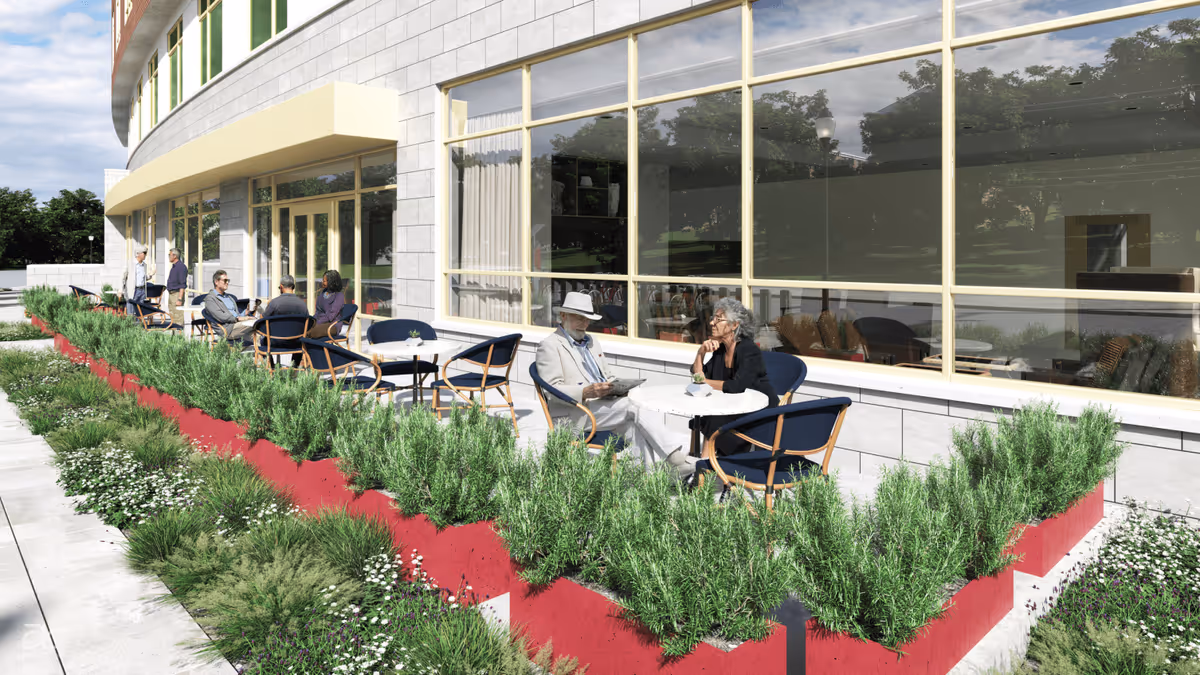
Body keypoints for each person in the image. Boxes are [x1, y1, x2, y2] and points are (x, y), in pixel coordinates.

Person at [535, 292, 689, 474]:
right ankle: (675, 459)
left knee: (636, 424)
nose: (584, 324)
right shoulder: (550, 345)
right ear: (563, 315)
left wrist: (617, 387)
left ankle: (644, 479)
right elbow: (551, 390)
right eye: (579, 318)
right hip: (577, 412)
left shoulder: (592, 341)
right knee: (635, 408)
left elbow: (607, 375)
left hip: (603, 406)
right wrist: (585, 392)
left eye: (587, 319)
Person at [691, 297, 779, 457]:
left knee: (714, 420)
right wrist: (701, 353)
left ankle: (705, 467)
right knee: (710, 417)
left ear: (734, 325)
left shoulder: (749, 350)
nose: (712, 323)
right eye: (713, 318)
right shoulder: (721, 350)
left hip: (760, 412)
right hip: (737, 407)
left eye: (718, 319)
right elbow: (698, 376)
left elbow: (736, 386)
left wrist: (704, 382)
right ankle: (707, 465)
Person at [203, 269, 256, 342]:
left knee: (261, 335)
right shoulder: (210, 299)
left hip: (237, 325)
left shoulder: (229, 297)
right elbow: (221, 316)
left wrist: (246, 312)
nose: (227, 283)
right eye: (225, 280)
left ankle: (265, 348)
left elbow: (237, 315)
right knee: (256, 323)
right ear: (216, 282)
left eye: (228, 280)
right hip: (227, 329)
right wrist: (239, 319)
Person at [307, 269, 346, 339]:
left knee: (309, 332)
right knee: (302, 328)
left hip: (332, 325)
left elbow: (331, 316)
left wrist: (317, 322)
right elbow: (318, 311)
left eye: (324, 281)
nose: (322, 282)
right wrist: (312, 321)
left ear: (331, 282)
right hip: (319, 322)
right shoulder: (323, 293)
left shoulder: (339, 296)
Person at [121, 244, 157, 315]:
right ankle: (130, 321)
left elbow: (143, 278)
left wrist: (150, 275)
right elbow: (123, 277)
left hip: (142, 290)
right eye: (144, 253)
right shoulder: (130, 264)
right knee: (131, 309)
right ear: (138, 254)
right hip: (134, 290)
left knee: (139, 311)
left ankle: (138, 321)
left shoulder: (144, 265)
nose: (145, 255)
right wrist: (121, 289)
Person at [165, 248, 188, 326]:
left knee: (178, 317)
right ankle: (174, 332)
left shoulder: (181, 267)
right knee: (172, 316)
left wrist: (179, 299)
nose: (169, 256)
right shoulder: (174, 266)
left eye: (169, 255)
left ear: (174, 256)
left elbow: (182, 285)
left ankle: (179, 332)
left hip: (177, 294)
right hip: (171, 294)